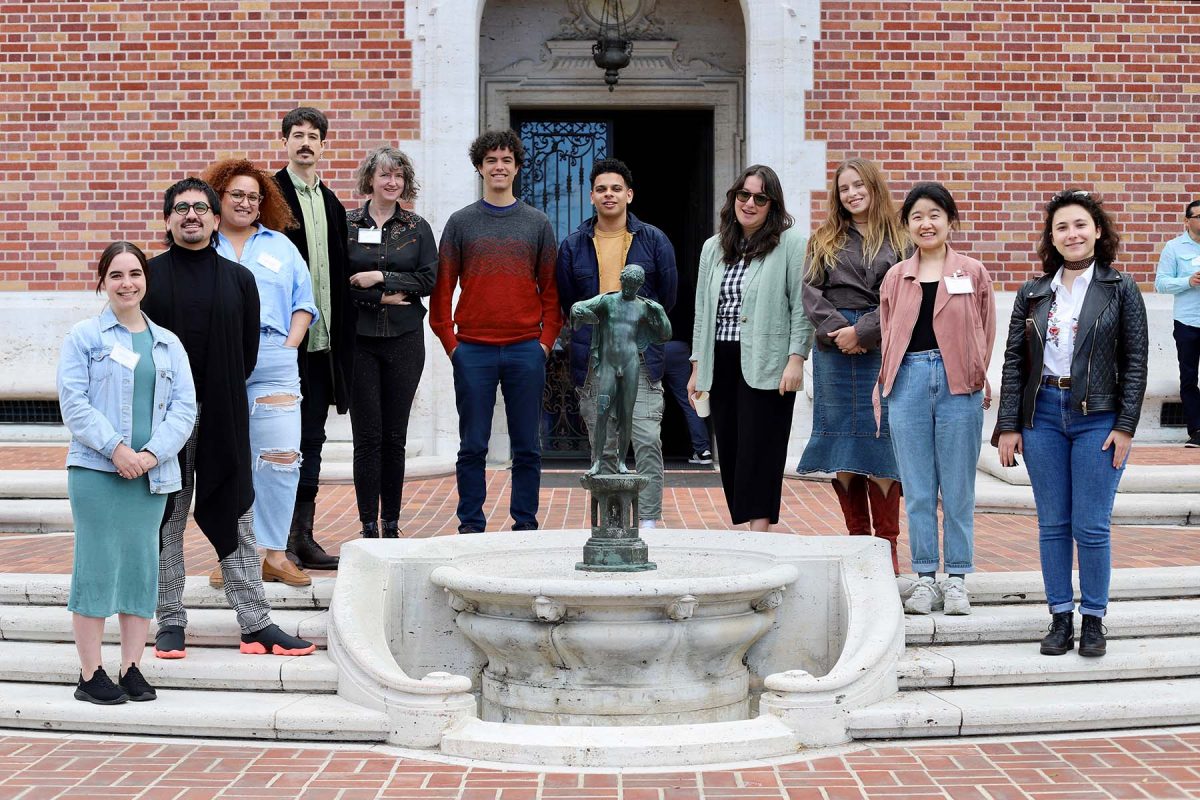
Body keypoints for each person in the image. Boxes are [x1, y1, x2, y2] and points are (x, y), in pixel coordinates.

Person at [142, 177, 316, 658]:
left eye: (201, 208)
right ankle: (170, 620)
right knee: (167, 520)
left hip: (223, 412)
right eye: (181, 208)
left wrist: (217, 393)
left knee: (238, 516)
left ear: (216, 221)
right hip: (165, 424)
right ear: (168, 219)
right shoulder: (150, 278)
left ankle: (255, 623)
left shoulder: (240, 280)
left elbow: (246, 355)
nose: (191, 215)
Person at [996, 189, 1148, 657]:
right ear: (1052, 238)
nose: (1072, 233)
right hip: (1042, 416)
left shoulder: (1120, 289)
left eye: (1080, 224)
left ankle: (1095, 620)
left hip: (1097, 420)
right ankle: (1060, 616)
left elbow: (1136, 361)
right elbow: (1015, 362)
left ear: (1097, 231)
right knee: (1053, 524)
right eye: (1061, 227)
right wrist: (1008, 424)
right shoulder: (1034, 292)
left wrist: (1124, 425)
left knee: (1091, 525)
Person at [58, 242, 197, 704]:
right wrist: (117, 450)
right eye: (116, 275)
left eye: (135, 273)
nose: (127, 283)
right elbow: (74, 404)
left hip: (151, 477)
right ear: (103, 281)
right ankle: (90, 673)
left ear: (145, 281)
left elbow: (185, 409)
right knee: (96, 567)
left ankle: (132, 667)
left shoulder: (168, 343)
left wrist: (151, 455)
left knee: (141, 568)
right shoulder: (84, 337)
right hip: (97, 472)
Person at [430, 129, 562, 534]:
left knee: (527, 446)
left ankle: (525, 525)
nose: (499, 167)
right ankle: (471, 525)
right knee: (472, 446)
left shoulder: (537, 223)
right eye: (491, 160)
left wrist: (544, 343)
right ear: (479, 167)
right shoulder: (460, 223)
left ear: (517, 168)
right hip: (473, 350)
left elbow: (551, 292)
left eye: (506, 160)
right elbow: (442, 291)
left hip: (525, 349)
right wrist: (453, 345)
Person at [876, 182, 995, 617]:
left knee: (958, 486)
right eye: (917, 217)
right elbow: (889, 332)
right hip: (907, 380)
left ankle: (958, 578)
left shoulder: (973, 272)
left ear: (950, 221)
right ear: (906, 225)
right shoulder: (896, 276)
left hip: (958, 383)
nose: (926, 223)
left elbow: (985, 326)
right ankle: (926, 576)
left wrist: (976, 373)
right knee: (919, 487)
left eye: (934, 215)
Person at [204, 158, 318, 588]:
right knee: (227, 463)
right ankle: (232, 554)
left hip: (272, 359)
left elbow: (304, 303)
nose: (247, 203)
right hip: (216, 362)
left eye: (254, 196)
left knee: (281, 458)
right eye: (237, 194)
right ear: (218, 197)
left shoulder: (280, 247)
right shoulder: (203, 245)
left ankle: (273, 553)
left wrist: (288, 345)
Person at [797, 158, 908, 580]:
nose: (852, 193)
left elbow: (903, 293)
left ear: (873, 186)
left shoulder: (901, 238)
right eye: (844, 188)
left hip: (883, 345)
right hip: (834, 353)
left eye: (859, 185)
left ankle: (887, 547)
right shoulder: (824, 239)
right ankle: (858, 541)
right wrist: (840, 332)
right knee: (845, 441)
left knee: (881, 444)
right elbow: (811, 294)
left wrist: (864, 332)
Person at [688, 165, 813, 532]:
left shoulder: (791, 243)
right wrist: (697, 366)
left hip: (769, 362)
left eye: (760, 197)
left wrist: (796, 359)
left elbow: (801, 306)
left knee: (762, 448)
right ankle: (747, 524)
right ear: (734, 198)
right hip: (721, 360)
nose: (750, 203)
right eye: (744, 195)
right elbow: (701, 312)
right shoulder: (714, 247)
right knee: (731, 449)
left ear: (772, 204)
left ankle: (759, 530)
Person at [556, 158, 678, 526]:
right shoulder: (574, 245)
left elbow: (666, 299)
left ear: (629, 194)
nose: (608, 195)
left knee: (646, 441)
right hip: (594, 360)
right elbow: (570, 303)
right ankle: (610, 526)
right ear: (592, 196)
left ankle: (649, 523)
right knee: (604, 448)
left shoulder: (654, 240)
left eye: (615, 188)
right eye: (601, 189)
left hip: (642, 358)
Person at [273, 107, 353, 571]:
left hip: (322, 347)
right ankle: (273, 538)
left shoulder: (332, 205)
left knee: (312, 439)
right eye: (297, 135)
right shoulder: (272, 197)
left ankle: (302, 535)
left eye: (314, 136)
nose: (306, 143)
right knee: (277, 441)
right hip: (282, 345)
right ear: (285, 142)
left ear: (324, 146)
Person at [345, 146, 437, 538]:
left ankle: (392, 523)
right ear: (370, 179)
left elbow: (428, 281)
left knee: (395, 436)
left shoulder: (416, 227)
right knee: (367, 437)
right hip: (360, 340)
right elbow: (338, 282)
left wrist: (380, 278)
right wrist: (377, 296)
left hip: (404, 339)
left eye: (398, 176)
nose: (392, 182)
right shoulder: (347, 223)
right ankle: (368, 525)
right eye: (384, 175)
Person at [569, 264, 672, 477]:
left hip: (631, 362)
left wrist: (660, 313)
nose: (629, 289)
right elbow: (579, 306)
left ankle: (622, 462)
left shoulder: (644, 307)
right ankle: (598, 461)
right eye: (626, 284)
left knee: (627, 414)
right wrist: (577, 310)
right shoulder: (607, 301)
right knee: (601, 412)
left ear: (639, 286)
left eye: (634, 286)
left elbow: (665, 335)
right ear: (621, 280)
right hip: (608, 362)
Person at [1154, 199, 1200, 447]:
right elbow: (1160, 284)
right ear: (1187, 220)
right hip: (1188, 322)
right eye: (1199, 216)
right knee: (1189, 377)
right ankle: (1197, 430)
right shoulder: (1174, 248)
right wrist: (1188, 281)